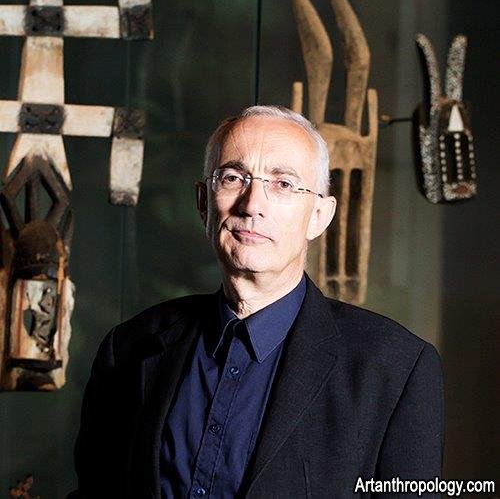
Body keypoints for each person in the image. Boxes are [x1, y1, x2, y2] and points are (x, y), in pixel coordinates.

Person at [71, 106, 444, 498]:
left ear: (319, 216)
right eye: (233, 178)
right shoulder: (128, 349)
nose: (252, 205)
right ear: (204, 202)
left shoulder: (395, 369)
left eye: (283, 184)